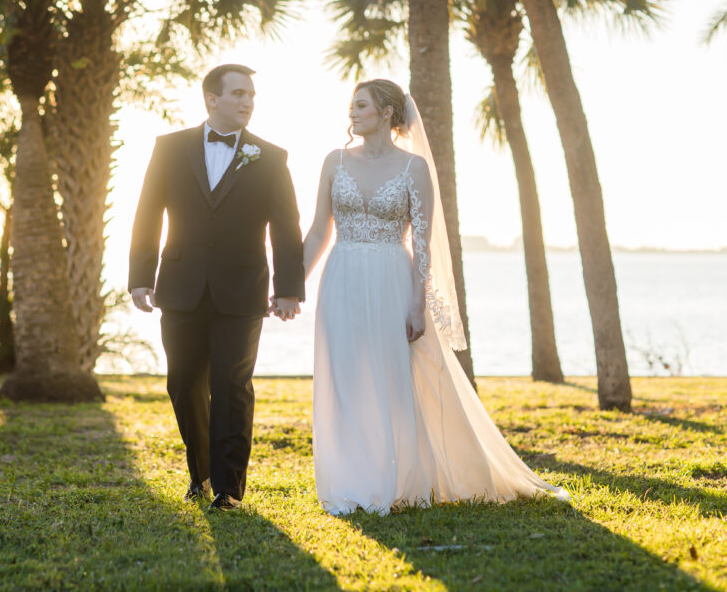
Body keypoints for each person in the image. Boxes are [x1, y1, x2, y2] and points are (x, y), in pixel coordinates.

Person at [303, 79, 569, 515]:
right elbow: (317, 231)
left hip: (392, 277)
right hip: (341, 278)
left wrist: (416, 304)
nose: (352, 112)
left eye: (361, 105)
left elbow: (424, 245)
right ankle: (350, 481)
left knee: (392, 381)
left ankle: (394, 479)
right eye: (351, 105)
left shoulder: (414, 169)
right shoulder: (333, 161)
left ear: (387, 113)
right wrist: (291, 285)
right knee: (346, 377)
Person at [128, 64, 305, 511]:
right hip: (181, 285)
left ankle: (228, 488)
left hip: (242, 291)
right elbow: (148, 212)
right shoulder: (169, 148)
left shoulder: (271, 157)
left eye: (251, 95)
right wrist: (140, 278)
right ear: (212, 99)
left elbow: (287, 228)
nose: (247, 102)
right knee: (183, 384)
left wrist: (289, 289)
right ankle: (201, 473)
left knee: (231, 385)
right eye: (239, 93)